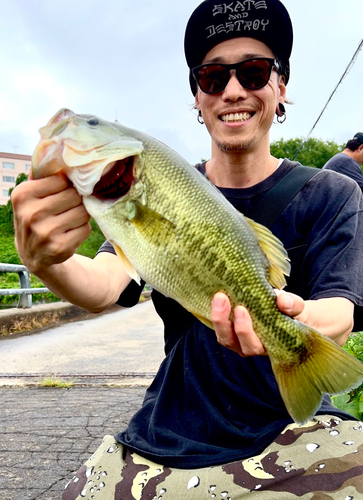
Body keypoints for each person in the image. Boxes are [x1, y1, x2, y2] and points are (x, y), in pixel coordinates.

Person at [11, 0, 363, 498]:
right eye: (213, 77)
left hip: (293, 428)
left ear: (280, 86)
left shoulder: (333, 192)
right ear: (197, 98)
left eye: (254, 71)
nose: (233, 90)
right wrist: (46, 261)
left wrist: (288, 323)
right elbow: (105, 284)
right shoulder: (147, 190)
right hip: (173, 429)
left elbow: (341, 309)